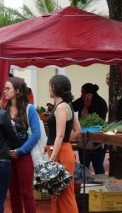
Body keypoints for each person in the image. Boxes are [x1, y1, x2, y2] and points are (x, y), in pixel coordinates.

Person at [4, 76, 41, 213]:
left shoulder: (29, 109)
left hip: (24, 155)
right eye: (4, 88)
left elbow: (36, 133)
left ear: (17, 90)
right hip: (8, 156)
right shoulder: (4, 109)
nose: (5, 91)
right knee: (13, 193)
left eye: (8, 88)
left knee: (26, 193)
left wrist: (21, 150)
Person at [46, 75, 80, 213]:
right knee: (58, 193)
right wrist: (60, 143)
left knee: (64, 194)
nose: (49, 88)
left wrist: (53, 155)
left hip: (60, 153)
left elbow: (60, 135)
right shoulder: (67, 106)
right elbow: (77, 131)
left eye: (49, 85)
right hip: (63, 150)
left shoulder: (61, 108)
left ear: (54, 87)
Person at [72, 83, 108, 174]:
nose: (81, 95)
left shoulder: (101, 103)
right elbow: (71, 107)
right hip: (83, 141)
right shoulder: (81, 100)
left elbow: (99, 121)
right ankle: (84, 186)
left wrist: (88, 106)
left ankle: (101, 186)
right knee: (84, 167)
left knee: (98, 165)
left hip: (98, 142)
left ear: (89, 95)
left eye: (83, 93)